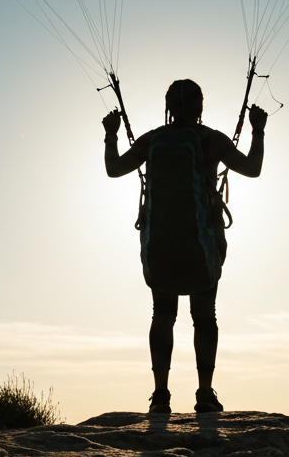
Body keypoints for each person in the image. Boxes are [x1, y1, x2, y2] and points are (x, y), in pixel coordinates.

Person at [102, 79, 267, 414]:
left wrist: (111, 134)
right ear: (200, 106)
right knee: (204, 316)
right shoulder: (213, 140)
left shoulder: (152, 140)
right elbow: (253, 169)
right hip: (202, 242)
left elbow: (114, 169)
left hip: (160, 242)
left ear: (168, 107)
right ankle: (204, 393)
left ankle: (160, 395)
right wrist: (258, 130)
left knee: (162, 314)